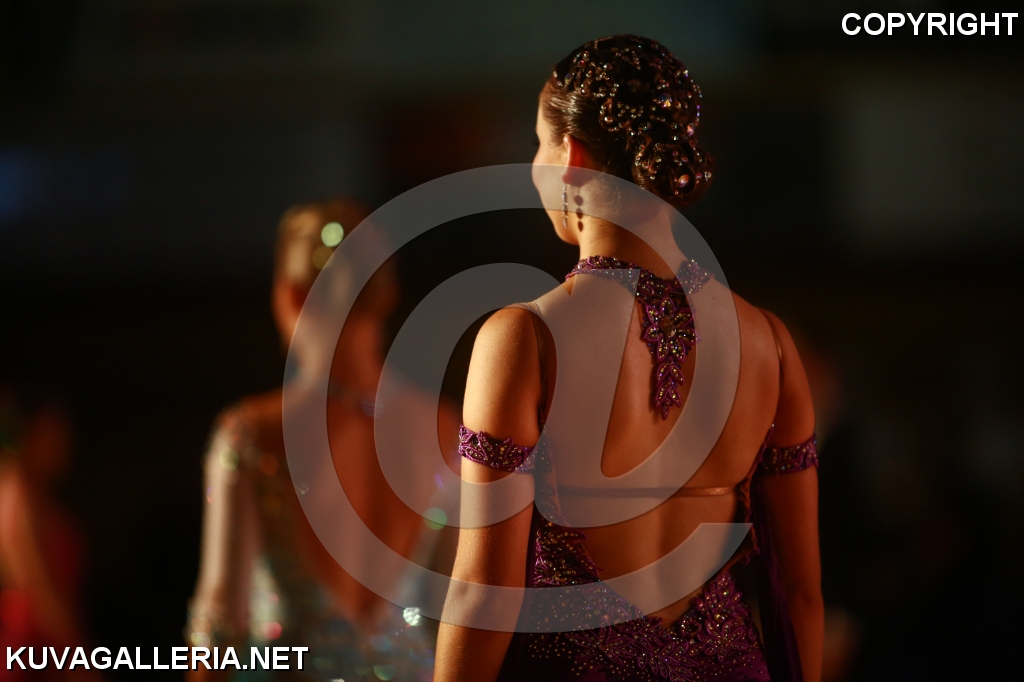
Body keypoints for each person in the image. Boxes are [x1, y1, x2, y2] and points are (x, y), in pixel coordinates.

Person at [434, 36, 823, 681]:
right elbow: (802, 597)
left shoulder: (525, 339)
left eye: (537, 143)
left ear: (571, 157)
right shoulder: (771, 344)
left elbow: (484, 596)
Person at [186, 200, 459, 682]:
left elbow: (220, 621)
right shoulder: (445, 430)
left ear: (291, 295)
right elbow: (460, 614)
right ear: (385, 296)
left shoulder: (251, 435)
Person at [0, 388, 96, 682]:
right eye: (54, 433)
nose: (64, 443)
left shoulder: (39, 498)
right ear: (29, 435)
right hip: (30, 652)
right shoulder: (18, 499)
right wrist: (80, 664)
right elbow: (41, 593)